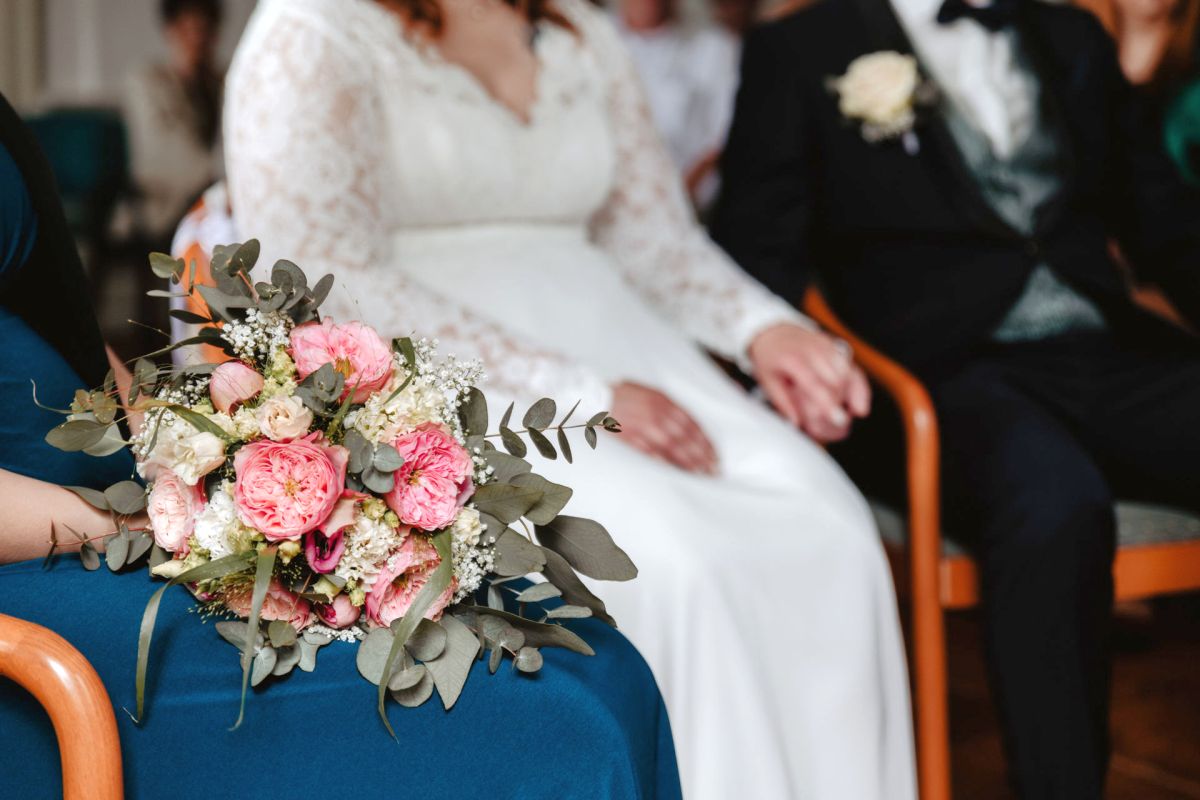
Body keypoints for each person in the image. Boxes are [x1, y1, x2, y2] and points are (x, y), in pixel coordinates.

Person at [222, 1, 916, 798]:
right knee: (684, 564)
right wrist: (577, 393)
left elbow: (655, 240)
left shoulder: (581, 32)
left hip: (636, 348)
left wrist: (763, 330)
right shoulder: (315, 29)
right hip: (450, 388)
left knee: (832, 525)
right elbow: (321, 271)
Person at [0, 90, 681, 800]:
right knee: (558, 721)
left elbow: (63, 326)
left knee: (599, 666)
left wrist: (214, 457)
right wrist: (158, 534)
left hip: (132, 516)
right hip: (49, 570)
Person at [712, 0, 1200, 797]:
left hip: (1103, 350)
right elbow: (754, 253)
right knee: (1055, 504)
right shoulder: (801, 49)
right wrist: (802, 364)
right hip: (936, 377)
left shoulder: (1070, 32)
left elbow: (1165, 221)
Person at [615, 0, 741, 208]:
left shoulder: (713, 46)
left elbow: (724, 133)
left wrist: (679, 195)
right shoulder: (594, 47)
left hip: (689, 204)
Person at [124, 0, 225, 247]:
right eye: (187, 29)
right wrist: (223, 178)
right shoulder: (147, 83)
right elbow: (162, 151)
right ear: (170, 30)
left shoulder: (222, 83)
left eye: (203, 30)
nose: (196, 38)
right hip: (165, 203)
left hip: (218, 198)